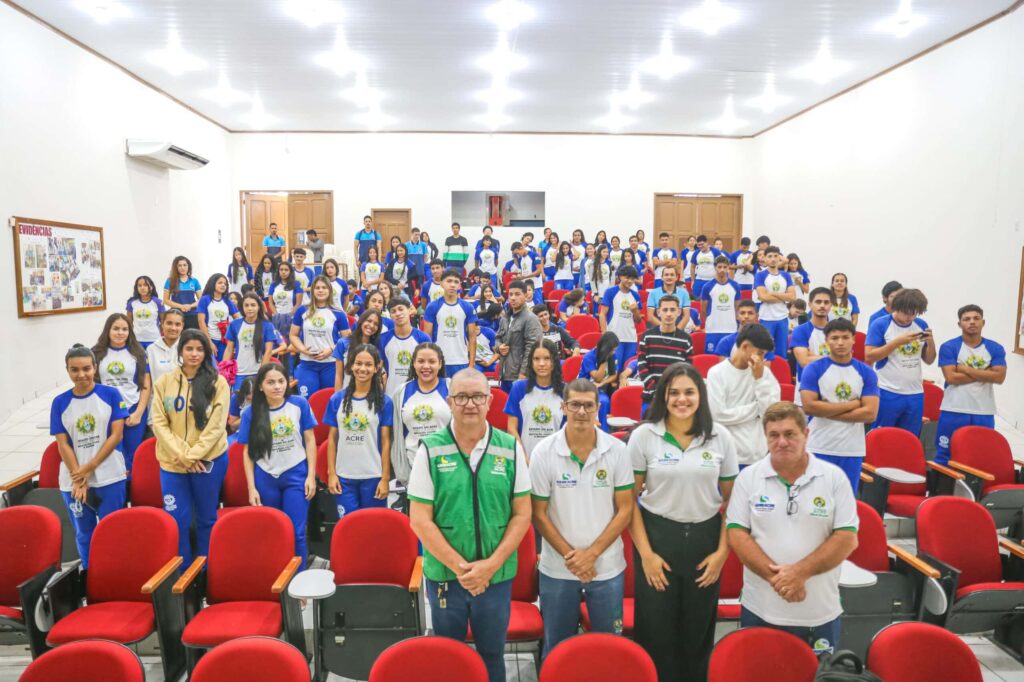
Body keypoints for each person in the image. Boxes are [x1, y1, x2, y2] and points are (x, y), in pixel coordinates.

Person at [408, 369, 532, 682]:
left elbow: (522, 515)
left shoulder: (510, 447)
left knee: (492, 655)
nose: (470, 404)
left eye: (477, 396)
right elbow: (419, 520)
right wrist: (463, 569)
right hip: (446, 577)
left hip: (496, 576)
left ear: (490, 401)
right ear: (449, 402)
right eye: (461, 397)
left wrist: (489, 567)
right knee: (449, 658)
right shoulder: (430, 449)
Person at [629, 363, 738, 680]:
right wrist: (646, 555)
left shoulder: (720, 437)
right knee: (655, 630)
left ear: (700, 396)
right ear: (663, 396)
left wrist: (722, 554)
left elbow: (733, 501)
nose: (681, 399)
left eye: (689, 392)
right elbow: (628, 502)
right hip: (657, 538)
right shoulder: (644, 436)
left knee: (697, 630)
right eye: (674, 392)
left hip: (706, 540)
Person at [726, 402, 859, 656]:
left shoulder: (834, 478)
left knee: (816, 674)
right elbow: (737, 534)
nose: (782, 442)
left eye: (790, 434)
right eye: (773, 435)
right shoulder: (749, 478)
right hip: (761, 609)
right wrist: (781, 580)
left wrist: (800, 573)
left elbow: (846, 538)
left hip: (819, 612)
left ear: (806, 434)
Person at [531, 378, 633, 653]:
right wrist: (573, 558)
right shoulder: (543, 452)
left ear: (598, 408)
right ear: (563, 407)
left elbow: (625, 509)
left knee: (610, 649)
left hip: (607, 567)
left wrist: (592, 554)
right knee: (556, 648)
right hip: (558, 568)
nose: (581, 411)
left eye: (588, 405)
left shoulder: (617, 450)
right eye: (574, 404)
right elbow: (538, 514)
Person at [152, 329, 230, 566]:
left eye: (199, 349)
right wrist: (183, 455)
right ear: (180, 351)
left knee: (206, 519)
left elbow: (217, 427)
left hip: (208, 462)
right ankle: (184, 574)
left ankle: (206, 570)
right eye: (189, 349)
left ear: (206, 352)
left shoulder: (218, 383)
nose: (194, 354)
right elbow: (159, 423)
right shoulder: (164, 382)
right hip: (173, 463)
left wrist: (194, 455)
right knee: (177, 521)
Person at [51, 344, 128, 567]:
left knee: (112, 531)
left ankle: (115, 573)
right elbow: (63, 444)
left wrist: (88, 469)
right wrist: (78, 477)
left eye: (86, 368)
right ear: (67, 370)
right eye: (74, 370)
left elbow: (116, 436)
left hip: (109, 475)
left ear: (95, 367)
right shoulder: (60, 402)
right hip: (73, 481)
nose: (81, 375)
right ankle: (90, 575)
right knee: (84, 533)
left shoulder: (111, 395)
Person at [238, 362, 317, 562]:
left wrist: (311, 476)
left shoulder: (299, 404)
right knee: (271, 531)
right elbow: (247, 452)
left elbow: (310, 440)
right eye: (271, 382)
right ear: (260, 386)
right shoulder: (250, 413)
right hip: (265, 476)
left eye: (281, 381)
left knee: (297, 533)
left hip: (296, 474)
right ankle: (276, 574)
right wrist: (251, 488)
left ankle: (299, 578)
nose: (277, 386)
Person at [800, 318, 879, 494]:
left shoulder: (866, 372)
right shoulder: (814, 369)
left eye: (845, 337)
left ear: (854, 339)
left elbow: (870, 414)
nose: (840, 343)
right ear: (826, 340)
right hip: (818, 446)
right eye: (834, 338)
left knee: (845, 501)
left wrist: (827, 410)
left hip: (851, 450)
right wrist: (853, 404)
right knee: (814, 499)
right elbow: (810, 407)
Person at [935, 304, 1007, 464]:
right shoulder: (949, 347)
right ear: (959, 324)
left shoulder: (995, 348)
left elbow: (999, 378)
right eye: (966, 319)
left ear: (983, 322)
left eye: (976, 318)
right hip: (953, 409)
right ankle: (941, 482)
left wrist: (964, 369)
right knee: (945, 455)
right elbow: (951, 378)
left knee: (982, 454)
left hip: (984, 411)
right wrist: (986, 373)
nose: (972, 322)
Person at [706, 324, 781, 468]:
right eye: (760, 353)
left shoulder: (764, 374)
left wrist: (759, 380)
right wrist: (755, 410)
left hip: (758, 457)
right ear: (745, 346)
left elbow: (771, 414)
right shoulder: (716, 373)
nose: (762, 359)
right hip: (726, 456)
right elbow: (718, 415)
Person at [865, 288, 935, 434]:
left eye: (914, 313)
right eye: (907, 313)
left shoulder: (921, 324)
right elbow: (869, 356)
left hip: (915, 392)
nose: (910, 317)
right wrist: (897, 342)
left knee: (909, 438)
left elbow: (929, 360)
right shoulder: (881, 324)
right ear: (897, 307)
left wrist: (931, 342)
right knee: (882, 436)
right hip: (888, 390)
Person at [92, 313, 150, 473]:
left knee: (132, 455)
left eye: (125, 329)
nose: (120, 333)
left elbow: (146, 385)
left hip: (133, 408)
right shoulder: (96, 353)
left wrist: (139, 413)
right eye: (116, 328)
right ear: (108, 330)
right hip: (106, 410)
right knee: (111, 453)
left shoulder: (139, 353)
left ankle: (130, 486)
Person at [390, 343, 451, 488]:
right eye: (421, 361)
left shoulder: (452, 388)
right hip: (413, 466)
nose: (426, 366)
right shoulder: (401, 392)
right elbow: (397, 433)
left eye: (432, 361)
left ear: (440, 364)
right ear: (413, 363)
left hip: (448, 466)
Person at [290, 275, 351, 398]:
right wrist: (302, 349)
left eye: (324, 287)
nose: (320, 290)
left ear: (329, 290)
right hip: (307, 364)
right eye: (317, 288)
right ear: (312, 290)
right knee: (308, 401)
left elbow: (348, 338)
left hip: (331, 364)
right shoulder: (302, 310)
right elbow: (293, 335)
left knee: (329, 400)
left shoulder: (338, 313)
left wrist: (332, 349)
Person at [505, 340, 566, 456]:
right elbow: (511, 428)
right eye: (536, 359)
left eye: (547, 358)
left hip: (556, 459)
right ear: (531, 362)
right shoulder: (518, 388)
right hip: (525, 458)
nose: (541, 363)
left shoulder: (566, 392)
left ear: (554, 361)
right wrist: (523, 458)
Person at [637, 295, 694, 408]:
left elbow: (687, 370)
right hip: (651, 398)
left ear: (678, 312)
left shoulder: (686, 339)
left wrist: (672, 391)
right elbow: (642, 365)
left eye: (672, 310)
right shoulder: (647, 336)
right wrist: (656, 390)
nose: (669, 314)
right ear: (658, 312)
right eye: (665, 310)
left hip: (675, 399)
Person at [424, 268, 479, 376]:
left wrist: (472, 364)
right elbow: (427, 337)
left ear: (459, 286)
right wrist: (429, 361)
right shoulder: (432, 306)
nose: (452, 285)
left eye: (456, 282)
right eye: (449, 281)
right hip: (438, 361)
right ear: (441, 284)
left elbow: (472, 337)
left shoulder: (467, 307)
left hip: (461, 361)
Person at [495, 280, 542, 393]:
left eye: (517, 294)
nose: (513, 298)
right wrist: (499, 347)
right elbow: (498, 338)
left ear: (525, 296)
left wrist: (523, 373)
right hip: (505, 374)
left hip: (521, 375)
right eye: (510, 294)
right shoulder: (505, 318)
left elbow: (532, 348)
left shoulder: (531, 319)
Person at [791, 288, 835, 405]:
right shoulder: (800, 330)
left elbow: (845, 359)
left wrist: (812, 356)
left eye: (826, 302)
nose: (822, 305)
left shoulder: (837, 331)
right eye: (818, 302)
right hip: (806, 392)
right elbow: (804, 361)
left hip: (831, 390)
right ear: (810, 304)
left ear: (831, 305)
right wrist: (833, 358)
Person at [225, 292, 276, 390]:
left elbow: (268, 351)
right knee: (239, 399)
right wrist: (224, 371)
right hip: (239, 373)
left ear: (259, 307)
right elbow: (229, 349)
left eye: (253, 305)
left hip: (257, 372)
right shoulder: (234, 324)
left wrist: (261, 374)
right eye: (246, 305)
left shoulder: (267, 325)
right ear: (242, 307)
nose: (249, 308)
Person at [380, 298, 431, 395]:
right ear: (390, 316)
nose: (398, 313)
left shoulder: (423, 338)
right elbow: (378, 369)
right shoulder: (383, 339)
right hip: (391, 393)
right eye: (393, 311)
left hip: (416, 393)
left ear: (409, 310)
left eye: (401, 309)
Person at [754, 246, 797, 359]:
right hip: (766, 318)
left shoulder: (786, 275)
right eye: (770, 256)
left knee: (782, 353)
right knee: (766, 352)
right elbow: (763, 297)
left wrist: (773, 293)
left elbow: (793, 297)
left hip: (782, 318)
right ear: (765, 258)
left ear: (779, 258)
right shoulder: (760, 275)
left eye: (775, 256)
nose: (773, 259)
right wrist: (784, 296)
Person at [599, 265, 643, 370]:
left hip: (630, 337)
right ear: (620, 277)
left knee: (627, 369)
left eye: (632, 278)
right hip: (614, 337)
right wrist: (604, 333)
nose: (630, 281)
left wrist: (635, 311)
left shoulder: (636, 295)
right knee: (614, 369)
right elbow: (602, 314)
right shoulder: (610, 292)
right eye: (627, 277)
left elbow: (638, 320)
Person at [700, 256, 742, 354]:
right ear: (715, 267)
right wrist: (708, 324)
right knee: (712, 358)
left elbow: (737, 309)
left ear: (728, 268)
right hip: (713, 330)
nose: (722, 270)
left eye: (724, 267)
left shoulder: (735, 286)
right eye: (719, 267)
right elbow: (703, 310)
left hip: (731, 329)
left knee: (731, 358)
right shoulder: (707, 286)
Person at [333, 310, 383, 389]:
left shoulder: (378, 347)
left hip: (370, 394)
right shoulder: (343, 343)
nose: (371, 325)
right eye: (369, 321)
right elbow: (338, 376)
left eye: (376, 324)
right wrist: (338, 395)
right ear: (361, 321)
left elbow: (377, 378)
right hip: (347, 393)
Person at [197, 273, 240, 361]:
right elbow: (201, 322)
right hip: (210, 338)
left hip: (224, 340)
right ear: (213, 284)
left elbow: (238, 318)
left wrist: (231, 332)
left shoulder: (227, 300)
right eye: (220, 283)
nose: (223, 285)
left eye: (225, 284)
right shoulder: (205, 299)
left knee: (222, 365)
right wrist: (209, 342)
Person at [147, 308, 185, 395]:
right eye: (169, 323)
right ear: (162, 324)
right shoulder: (151, 350)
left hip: (182, 400)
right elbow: (147, 382)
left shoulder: (187, 348)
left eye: (177, 324)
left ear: (182, 326)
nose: (173, 328)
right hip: (158, 400)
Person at [646, 264, 691, 330]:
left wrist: (676, 331)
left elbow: (686, 317)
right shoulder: (652, 293)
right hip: (658, 329)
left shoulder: (685, 293)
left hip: (678, 329)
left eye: (672, 275)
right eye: (666, 275)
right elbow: (650, 317)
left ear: (676, 277)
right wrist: (665, 329)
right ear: (662, 277)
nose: (669, 277)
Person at [163, 255, 202, 330]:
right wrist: (181, 306)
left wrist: (190, 306)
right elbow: (166, 300)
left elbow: (201, 300)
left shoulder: (194, 281)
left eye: (185, 265)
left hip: (192, 315)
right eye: (180, 265)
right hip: (176, 315)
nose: (182, 267)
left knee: (191, 336)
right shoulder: (170, 281)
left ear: (188, 266)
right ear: (176, 267)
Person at [126, 275, 164, 350]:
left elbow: (163, 321)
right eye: (139, 285)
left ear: (151, 287)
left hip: (154, 339)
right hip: (137, 339)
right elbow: (129, 323)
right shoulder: (131, 303)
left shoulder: (158, 302)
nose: (142, 288)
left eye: (145, 285)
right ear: (136, 288)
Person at [267, 260, 303, 338]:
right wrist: (276, 314)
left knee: (291, 339)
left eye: (286, 270)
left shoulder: (296, 284)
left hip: (291, 317)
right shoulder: (273, 284)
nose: (283, 272)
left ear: (290, 272)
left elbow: (298, 303)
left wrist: (290, 315)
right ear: (278, 271)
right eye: (281, 270)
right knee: (279, 340)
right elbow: (270, 302)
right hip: (277, 317)